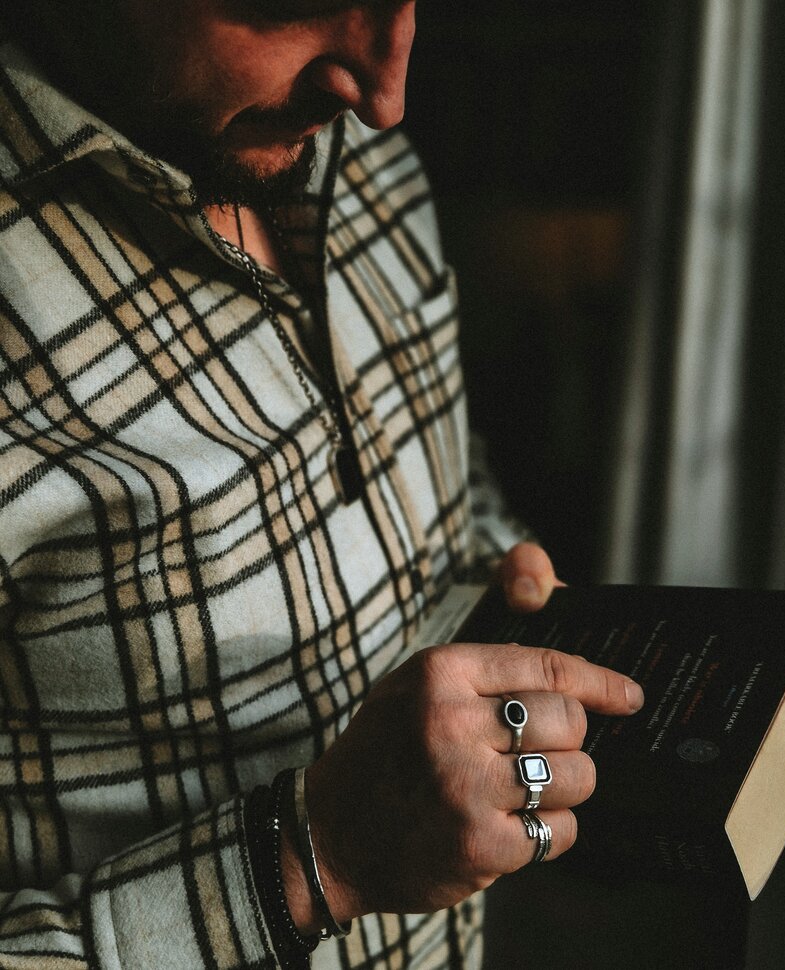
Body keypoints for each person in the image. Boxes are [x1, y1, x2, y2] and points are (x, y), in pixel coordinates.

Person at [0, 2, 644, 968]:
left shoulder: (352, 148)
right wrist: (318, 859)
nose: (385, 95)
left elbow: (446, 475)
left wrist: (498, 589)